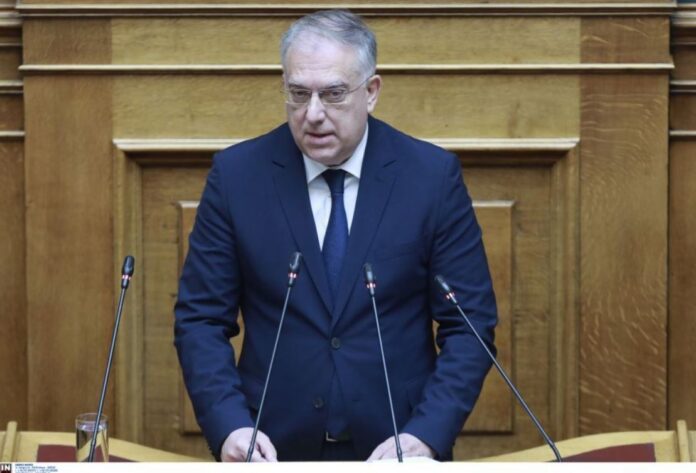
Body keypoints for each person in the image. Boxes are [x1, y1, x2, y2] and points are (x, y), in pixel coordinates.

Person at [174, 9, 497, 462]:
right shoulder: (237, 177)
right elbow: (201, 319)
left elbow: (469, 324)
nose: (313, 114)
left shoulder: (430, 177)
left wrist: (426, 434)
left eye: (333, 94)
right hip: (270, 449)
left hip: (397, 449)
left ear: (372, 92)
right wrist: (230, 426)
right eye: (298, 94)